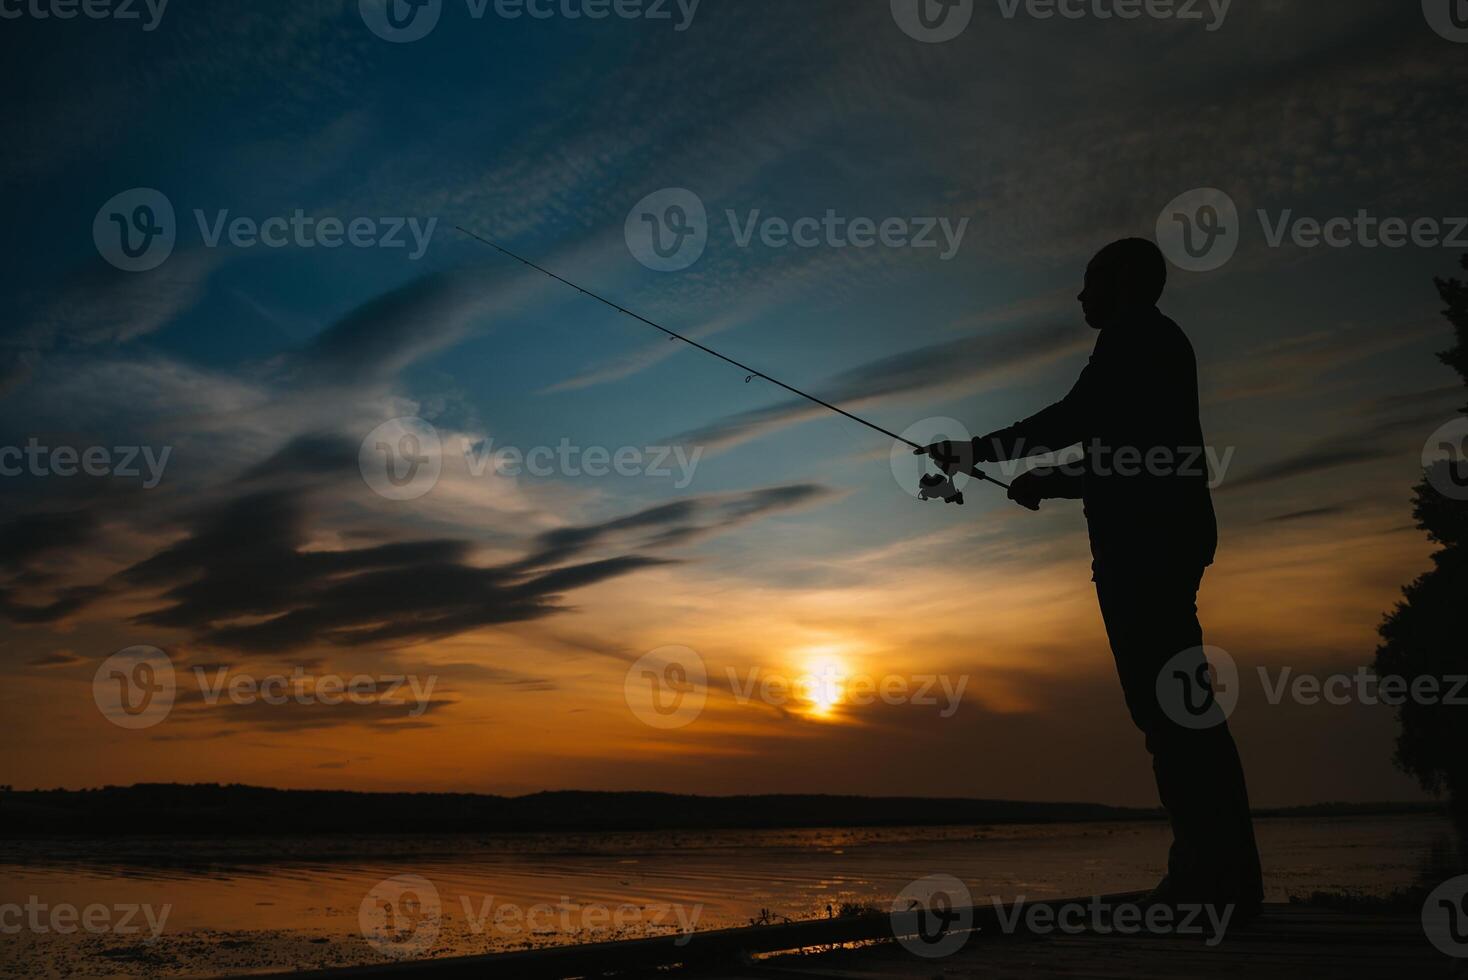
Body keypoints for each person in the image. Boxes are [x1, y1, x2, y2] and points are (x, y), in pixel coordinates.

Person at [920, 238, 1263, 917]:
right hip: (1162, 538)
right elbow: (1127, 453)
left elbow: (1081, 421)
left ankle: (1210, 877)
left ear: (1123, 282)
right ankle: (1220, 873)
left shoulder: (1136, 337)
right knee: (1179, 710)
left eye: (1090, 283)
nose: (1080, 297)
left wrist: (977, 452)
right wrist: (1054, 480)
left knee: (1169, 712)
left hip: (1147, 547)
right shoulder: (1150, 343)